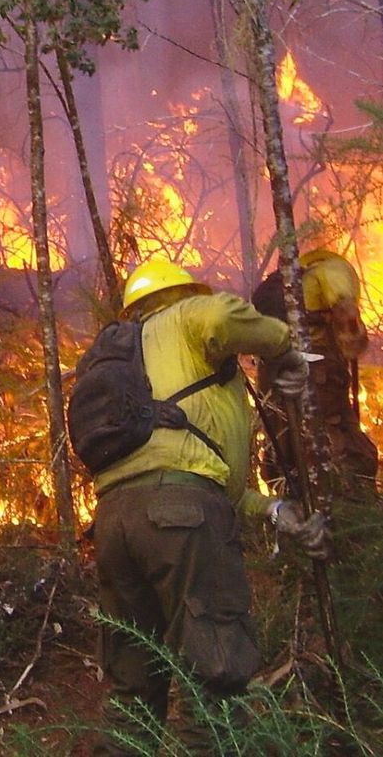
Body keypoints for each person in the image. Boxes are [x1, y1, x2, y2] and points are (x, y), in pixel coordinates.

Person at [89, 259, 330, 755]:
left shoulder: (127, 359)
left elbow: (208, 480)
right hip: (181, 518)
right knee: (215, 680)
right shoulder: (185, 315)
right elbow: (223, 318)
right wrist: (284, 349)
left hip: (113, 521)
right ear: (183, 293)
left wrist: (272, 510)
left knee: (133, 691)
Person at [252, 249, 378, 503]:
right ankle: (351, 509)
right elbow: (346, 311)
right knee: (340, 440)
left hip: (274, 371)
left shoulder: (283, 288)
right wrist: (352, 339)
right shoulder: (332, 268)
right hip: (319, 368)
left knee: (286, 445)